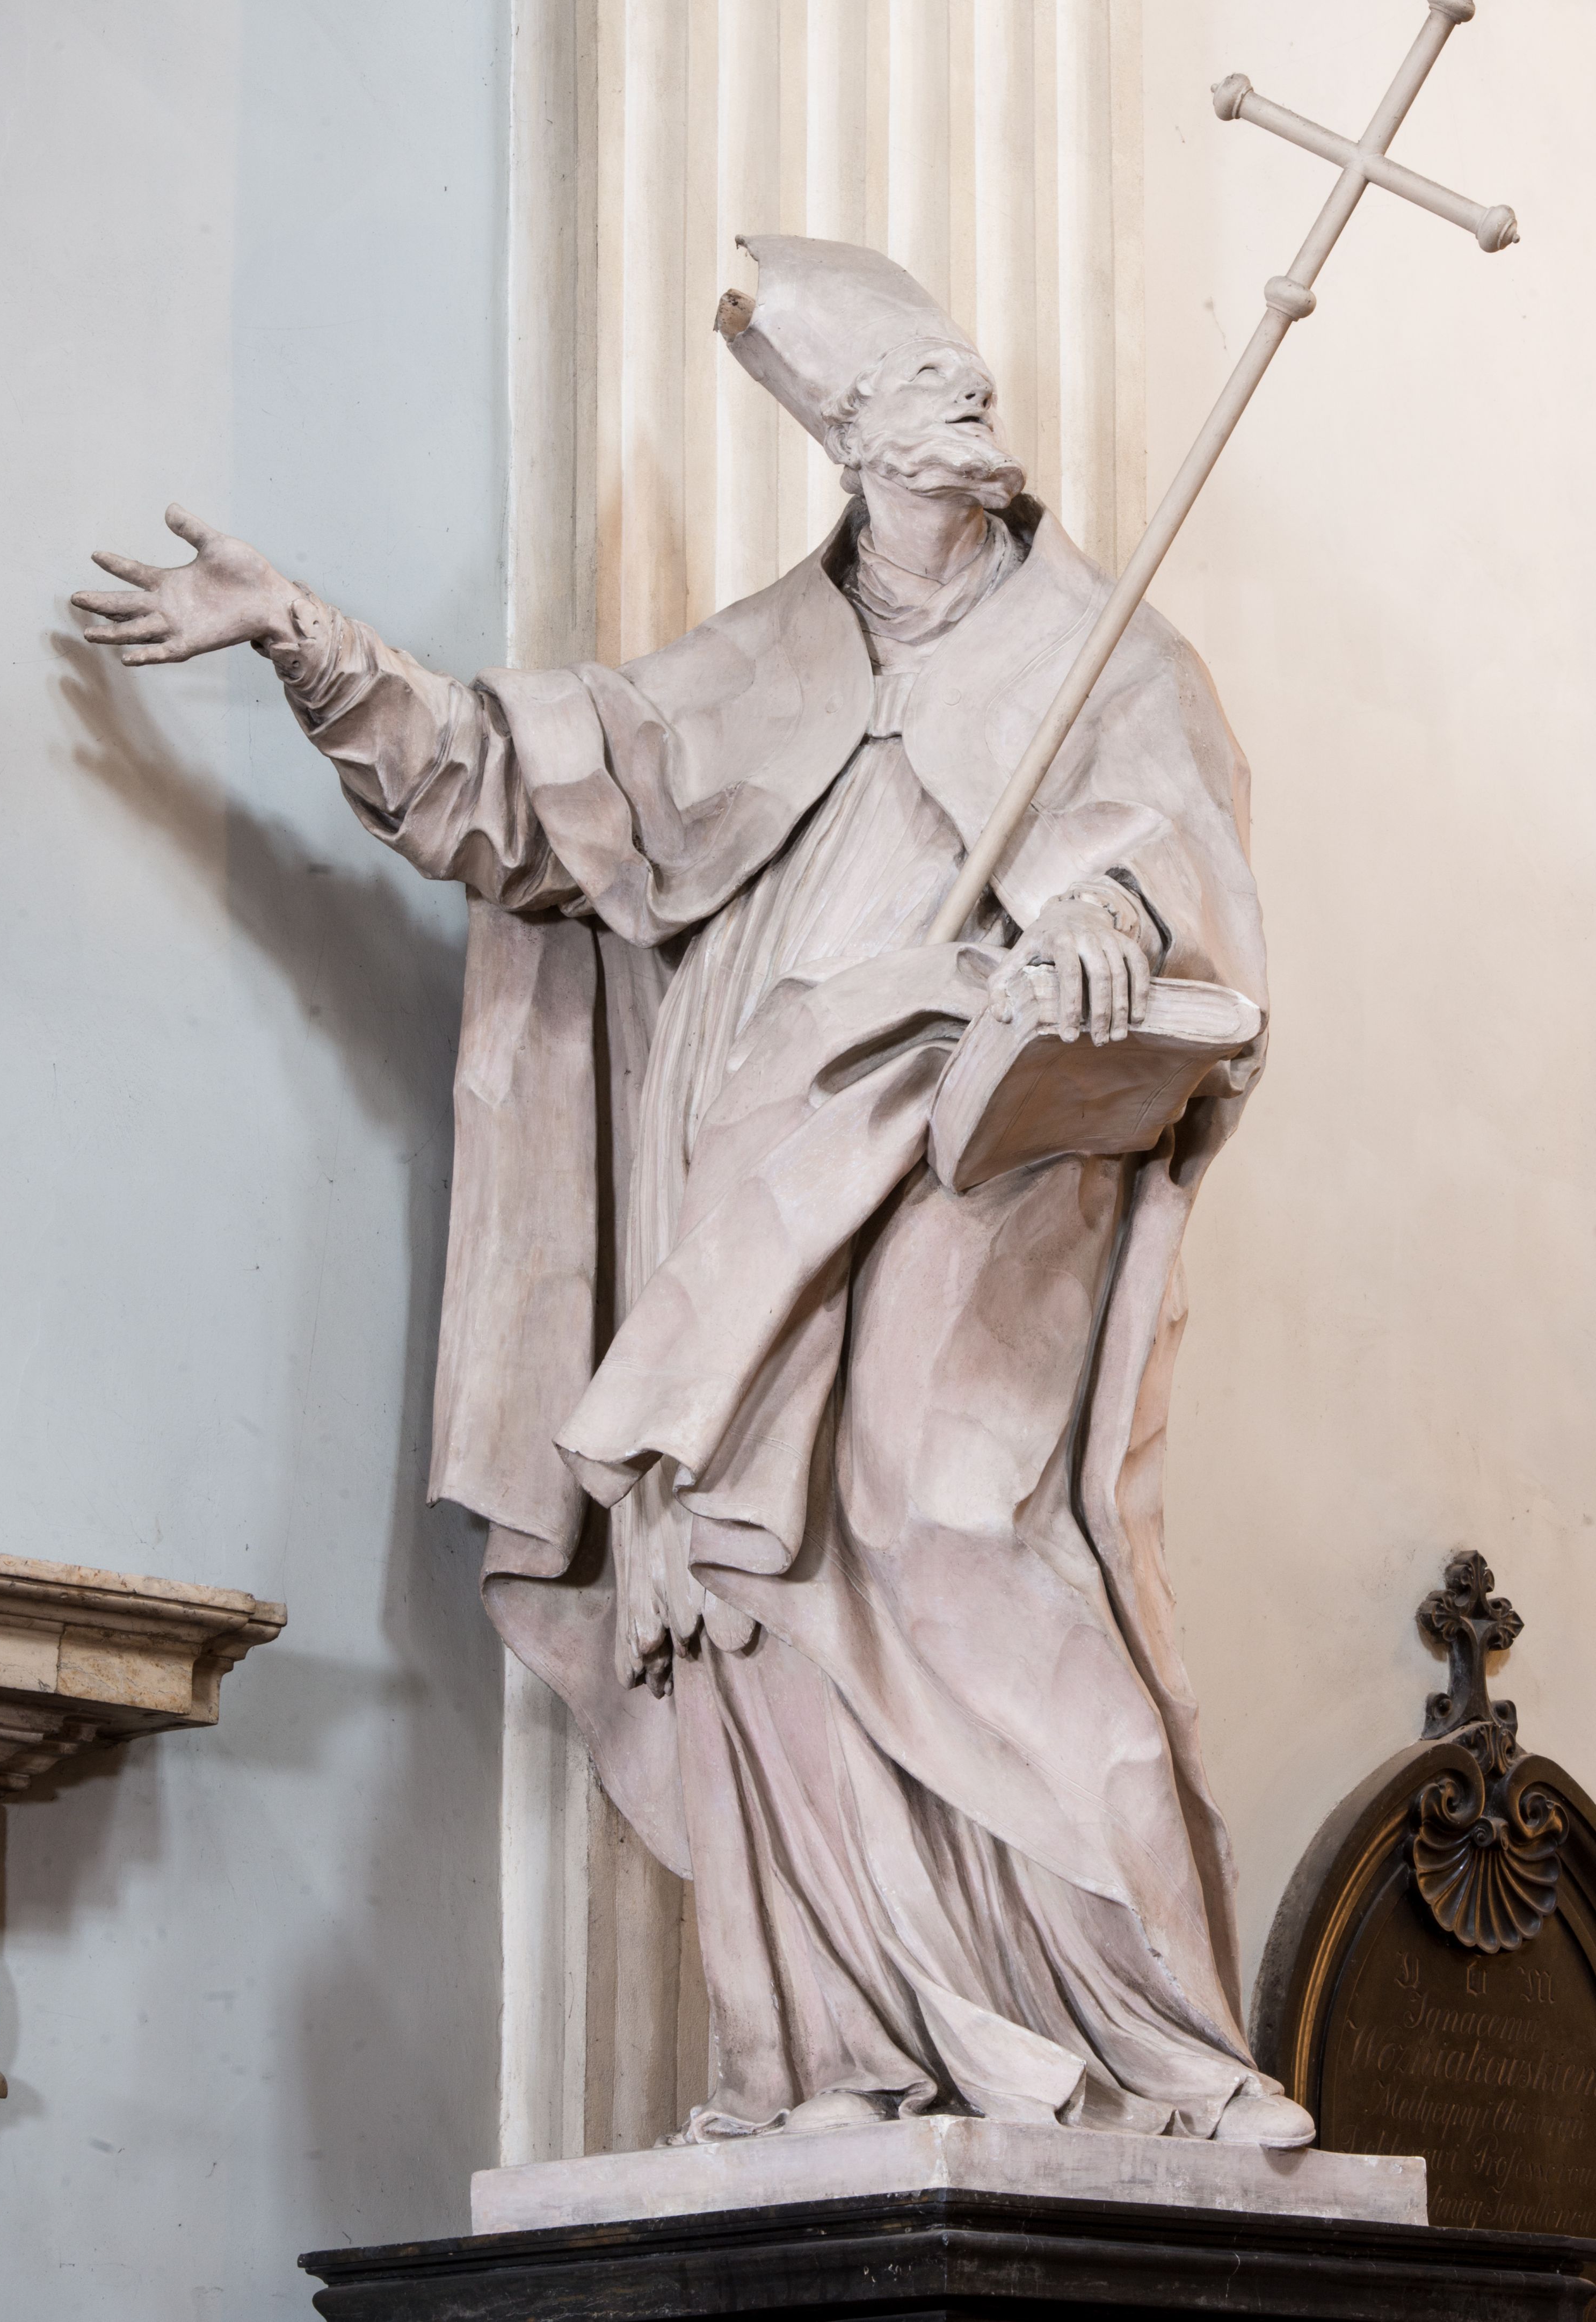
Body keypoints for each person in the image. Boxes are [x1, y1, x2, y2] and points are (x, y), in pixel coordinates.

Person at [74, 236, 1311, 2147]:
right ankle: (843, 2053)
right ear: (850, 438)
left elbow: (1174, 866)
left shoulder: (1107, 654)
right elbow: (502, 786)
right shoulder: (759, 668)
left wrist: (1105, 925)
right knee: (746, 1580)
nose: (971, 404)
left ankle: (1163, 2044)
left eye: (970, 376)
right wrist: (304, 634)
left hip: (973, 1144)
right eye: (924, 386)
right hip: (742, 1178)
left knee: (951, 1527)